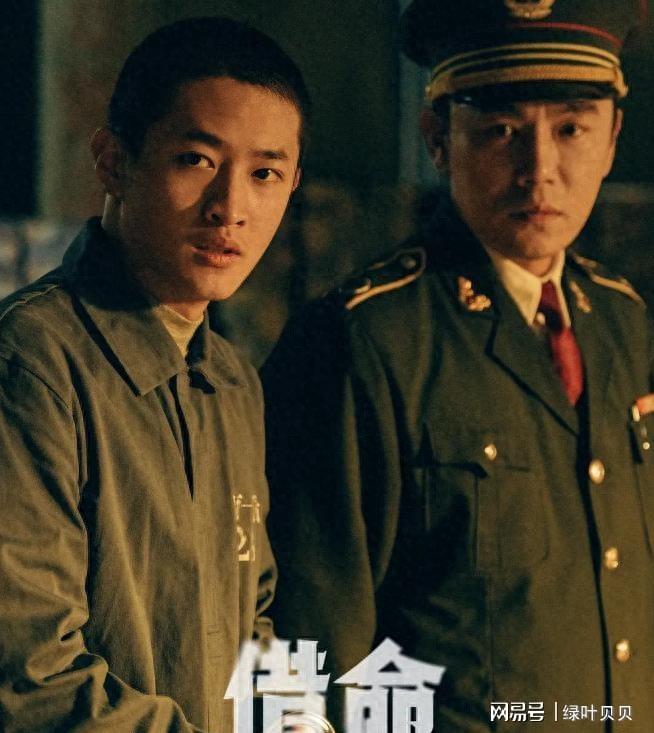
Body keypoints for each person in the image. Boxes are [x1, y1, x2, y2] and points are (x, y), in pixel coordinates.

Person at [262, 1, 654, 730]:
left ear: (612, 140)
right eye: (501, 130)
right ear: (437, 139)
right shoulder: (364, 340)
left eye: (571, 129)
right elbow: (304, 656)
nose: (540, 170)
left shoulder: (622, 322)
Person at [0, 16, 308, 732]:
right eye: (196, 160)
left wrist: (294, 717)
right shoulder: (34, 362)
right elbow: (29, 673)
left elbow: (252, 614)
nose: (231, 208)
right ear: (113, 161)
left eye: (264, 174)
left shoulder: (231, 381)